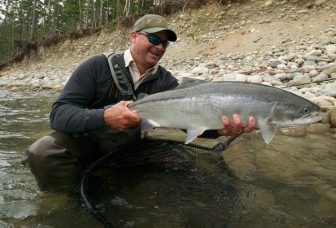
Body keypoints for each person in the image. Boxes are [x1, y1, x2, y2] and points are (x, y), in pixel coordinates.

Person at [25, 14, 256, 192]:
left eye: (165, 44)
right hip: (88, 145)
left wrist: (219, 130)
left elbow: (188, 123)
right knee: (44, 151)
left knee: (186, 165)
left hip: (131, 149)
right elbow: (59, 114)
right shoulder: (96, 67)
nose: (159, 47)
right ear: (133, 36)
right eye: (154, 38)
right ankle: (70, 200)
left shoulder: (165, 81)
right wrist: (104, 117)